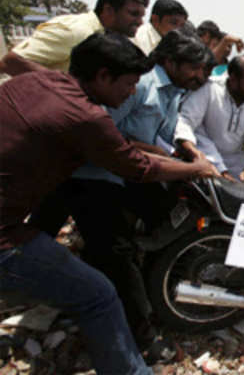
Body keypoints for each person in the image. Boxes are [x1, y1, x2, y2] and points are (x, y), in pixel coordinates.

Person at [0, 32, 216, 374]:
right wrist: (194, 168)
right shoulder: (88, 116)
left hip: (26, 208)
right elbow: (136, 163)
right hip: (20, 226)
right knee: (101, 289)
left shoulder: (37, 80)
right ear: (102, 76)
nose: (132, 91)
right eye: (128, 84)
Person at [0, 0, 149, 76]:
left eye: (142, 16)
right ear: (109, 10)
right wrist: (68, 88)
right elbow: (11, 62)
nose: (140, 22)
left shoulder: (108, 39)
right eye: (134, 14)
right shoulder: (77, 31)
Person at [175, 55, 244, 188]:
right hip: (204, 156)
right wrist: (196, 156)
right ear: (233, 78)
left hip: (236, 167)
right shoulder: (209, 89)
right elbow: (185, 122)